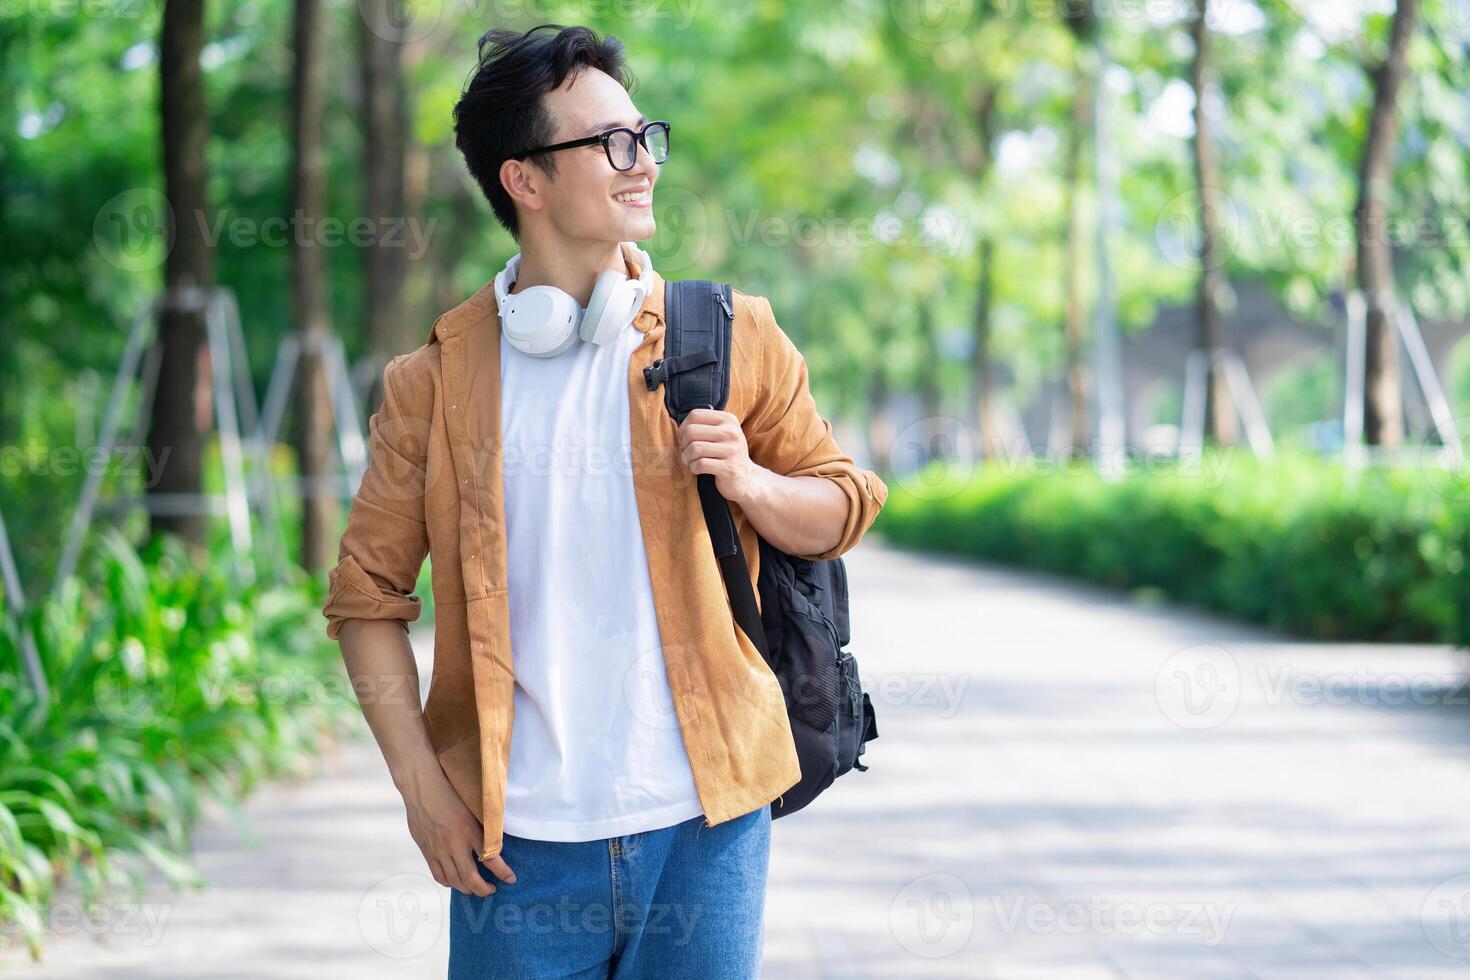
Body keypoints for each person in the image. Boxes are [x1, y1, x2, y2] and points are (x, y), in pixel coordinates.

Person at [321, 22, 888, 978]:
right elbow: (364, 599)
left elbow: (846, 505)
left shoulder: (731, 335)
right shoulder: (433, 383)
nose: (642, 164)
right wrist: (421, 789)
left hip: (708, 829)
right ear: (526, 180)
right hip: (513, 851)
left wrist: (748, 483)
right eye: (610, 144)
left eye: (644, 137)